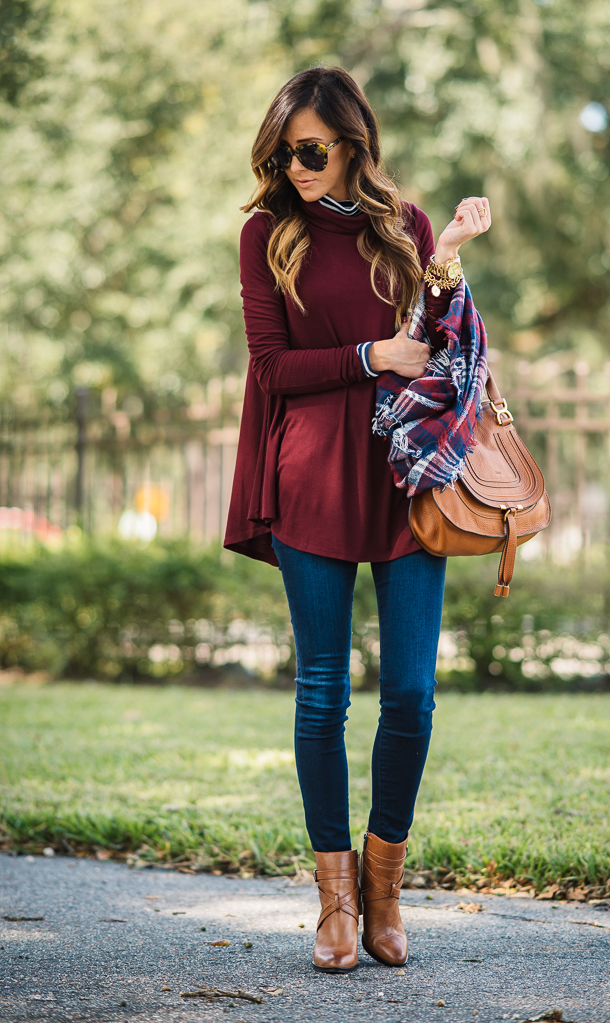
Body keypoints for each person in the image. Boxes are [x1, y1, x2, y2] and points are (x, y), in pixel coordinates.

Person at [224, 66, 491, 973]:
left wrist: (448, 250)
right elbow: (269, 370)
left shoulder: (403, 225)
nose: (293, 165)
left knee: (411, 694)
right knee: (322, 693)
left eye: (309, 150)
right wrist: (367, 353)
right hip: (312, 473)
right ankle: (334, 902)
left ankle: (386, 885)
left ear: (351, 145)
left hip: (405, 472)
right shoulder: (267, 235)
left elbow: (439, 333)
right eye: (282, 150)